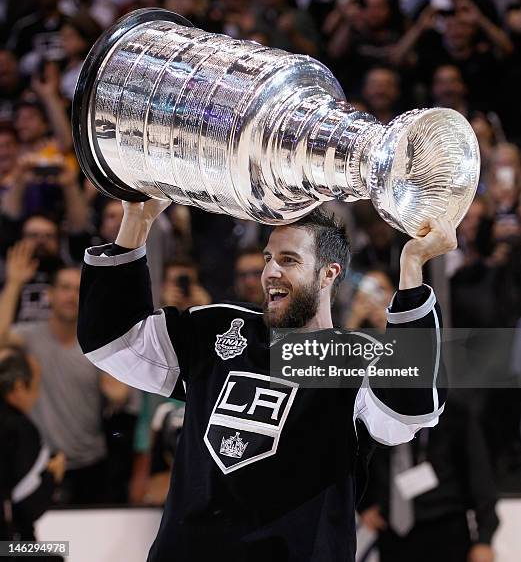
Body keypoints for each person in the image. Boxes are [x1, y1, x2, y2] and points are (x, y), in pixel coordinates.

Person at [77, 199, 456, 562]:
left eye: (289, 260)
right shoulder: (220, 327)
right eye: (268, 258)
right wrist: (136, 222)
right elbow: (114, 341)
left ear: (328, 273)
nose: (270, 272)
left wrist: (412, 268)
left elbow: (409, 411)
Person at [0, 256, 131, 504]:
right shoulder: (30, 336)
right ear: (49, 295)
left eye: (78, 289)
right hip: (37, 461)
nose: (71, 296)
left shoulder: (97, 342)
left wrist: (114, 386)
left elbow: (120, 393)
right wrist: (14, 283)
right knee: (36, 540)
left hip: (90, 464)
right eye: (64, 288)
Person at [359, 399, 499, 562]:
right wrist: (363, 506)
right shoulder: (373, 413)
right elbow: (360, 461)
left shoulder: (454, 414)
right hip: (392, 532)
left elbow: (480, 477)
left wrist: (484, 539)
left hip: (444, 529)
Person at [0, 344, 66, 542]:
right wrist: (52, 476)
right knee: (58, 553)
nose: (36, 397)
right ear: (19, 386)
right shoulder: (20, 429)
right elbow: (28, 508)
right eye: (36, 387)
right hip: (7, 547)